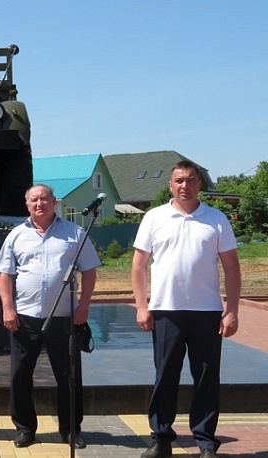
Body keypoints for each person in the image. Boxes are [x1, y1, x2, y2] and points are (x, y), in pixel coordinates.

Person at [132, 161, 241, 458]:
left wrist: (231, 311)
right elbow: (139, 265)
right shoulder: (155, 217)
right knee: (165, 376)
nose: (185, 186)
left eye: (191, 180)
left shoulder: (216, 219)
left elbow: (231, 268)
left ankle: (205, 441)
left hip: (207, 312)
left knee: (206, 378)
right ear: (170, 185)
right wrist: (142, 306)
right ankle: (162, 439)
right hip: (166, 310)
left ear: (199, 184)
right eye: (179, 180)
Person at [0, 184, 100, 449]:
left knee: (69, 377)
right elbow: (5, 275)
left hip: (64, 316)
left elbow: (89, 270)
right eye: (34, 199)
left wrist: (84, 306)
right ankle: (25, 429)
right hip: (25, 317)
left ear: (54, 202)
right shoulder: (17, 235)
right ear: (27, 205)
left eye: (44, 198)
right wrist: (8, 308)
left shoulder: (74, 233)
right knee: (20, 375)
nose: (39, 203)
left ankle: (70, 430)